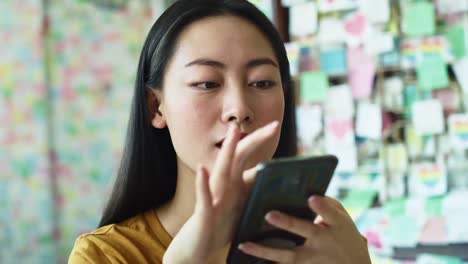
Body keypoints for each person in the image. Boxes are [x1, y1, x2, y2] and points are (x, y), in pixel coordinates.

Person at [69, 0, 371, 263]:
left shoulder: (323, 235)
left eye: (262, 82)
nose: (239, 109)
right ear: (155, 107)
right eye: (207, 83)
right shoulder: (106, 255)